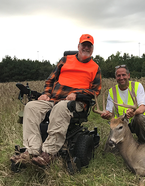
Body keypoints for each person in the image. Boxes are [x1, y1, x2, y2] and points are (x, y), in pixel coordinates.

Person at [10, 34, 102, 166]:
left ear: (92, 49)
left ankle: (48, 153)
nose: (86, 48)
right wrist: (46, 93)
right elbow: (50, 79)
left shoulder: (95, 68)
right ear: (79, 46)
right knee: (31, 106)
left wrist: (77, 94)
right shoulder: (65, 60)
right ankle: (32, 150)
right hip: (54, 99)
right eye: (84, 45)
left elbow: (95, 91)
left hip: (77, 102)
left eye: (89, 46)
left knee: (62, 107)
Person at [101, 65, 145, 144]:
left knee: (140, 118)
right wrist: (106, 115)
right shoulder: (112, 91)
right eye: (118, 76)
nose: (121, 78)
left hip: (134, 122)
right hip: (120, 123)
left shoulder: (137, 86)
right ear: (116, 77)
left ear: (128, 75)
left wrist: (134, 113)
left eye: (123, 75)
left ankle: (144, 143)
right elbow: (109, 112)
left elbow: (142, 107)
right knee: (110, 149)